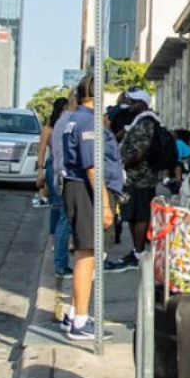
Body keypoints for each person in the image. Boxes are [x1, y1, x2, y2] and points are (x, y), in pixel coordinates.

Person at [59, 75, 124, 341]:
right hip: (86, 189)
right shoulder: (88, 122)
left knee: (85, 252)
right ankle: (81, 321)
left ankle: (74, 313)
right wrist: (105, 204)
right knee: (89, 253)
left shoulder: (72, 118)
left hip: (77, 188)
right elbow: (92, 166)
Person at [106, 89, 163, 273]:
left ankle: (139, 253)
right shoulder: (136, 122)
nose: (131, 105)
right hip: (133, 178)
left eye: (135, 102)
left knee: (140, 215)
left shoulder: (146, 122)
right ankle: (135, 251)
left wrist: (124, 164)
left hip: (141, 178)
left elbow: (140, 152)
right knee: (131, 215)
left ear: (144, 104)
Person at [37, 96, 75, 278]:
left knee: (61, 211)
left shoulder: (67, 126)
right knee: (58, 207)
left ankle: (61, 243)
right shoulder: (50, 128)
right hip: (54, 167)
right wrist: (40, 171)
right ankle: (57, 242)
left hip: (60, 168)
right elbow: (42, 150)